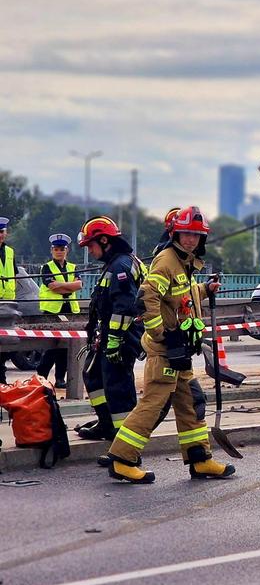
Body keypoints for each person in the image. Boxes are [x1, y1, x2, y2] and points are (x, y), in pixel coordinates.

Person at [105, 206, 233, 484]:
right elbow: (146, 298)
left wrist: (203, 290)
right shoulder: (166, 260)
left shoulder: (183, 261)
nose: (190, 240)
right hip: (166, 353)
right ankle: (122, 459)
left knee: (191, 404)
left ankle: (200, 459)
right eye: (186, 234)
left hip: (180, 353)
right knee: (152, 405)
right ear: (175, 233)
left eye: (196, 236)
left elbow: (179, 296)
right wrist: (162, 334)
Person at [74, 217, 144, 441]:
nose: (90, 251)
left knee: (118, 386)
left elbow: (124, 308)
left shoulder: (121, 267)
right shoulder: (114, 264)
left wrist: (114, 340)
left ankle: (124, 436)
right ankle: (106, 423)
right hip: (107, 336)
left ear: (105, 241)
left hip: (121, 338)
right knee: (93, 376)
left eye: (91, 245)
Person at [36, 233, 82, 387]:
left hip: (69, 310)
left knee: (64, 347)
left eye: (62, 249)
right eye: (56, 249)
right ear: (52, 250)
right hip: (52, 311)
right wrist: (69, 287)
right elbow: (52, 287)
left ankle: (60, 379)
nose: (59, 252)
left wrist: (62, 286)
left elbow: (79, 285)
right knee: (51, 346)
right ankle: (41, 376)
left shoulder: (72, 267)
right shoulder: (46, 267)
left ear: (66, 250)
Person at [0, 216, 15, 383]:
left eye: (2, 232)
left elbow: (13, 274)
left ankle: (1, 378)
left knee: (5, 345)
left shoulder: (10, 252)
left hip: (9, 303)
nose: (0, 235)